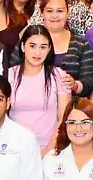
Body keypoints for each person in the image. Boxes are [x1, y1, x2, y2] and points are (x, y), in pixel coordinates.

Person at [12, 0, 93, 97]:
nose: (54, 15)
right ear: (42, 13)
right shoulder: (28, 39)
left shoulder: (81, 43)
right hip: (30, 100)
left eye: (59, 11)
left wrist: (75, 85)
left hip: (70, 104)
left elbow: (90, 81)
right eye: (49, 11)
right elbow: (12, 71)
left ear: (68, 13)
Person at [7, 25, 71, 154]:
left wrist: (46, 153)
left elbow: (63, 119)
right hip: (13, 148)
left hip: (49, 150)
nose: (37, 53)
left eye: (43, 47)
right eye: (32, 46)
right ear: (23, 47)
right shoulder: (9, 75)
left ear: (49, 49)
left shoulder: (59, 76)